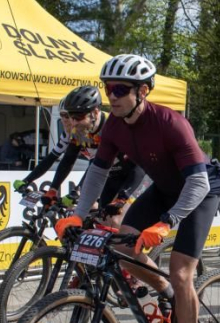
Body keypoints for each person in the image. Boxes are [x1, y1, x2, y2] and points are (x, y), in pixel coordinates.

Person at [54, 53, 220, 323]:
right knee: (121, 244)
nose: (112, 96)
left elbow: (198, 183)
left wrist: (167, 223)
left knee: (181, 273)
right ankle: (167, 294)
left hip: (200, 190)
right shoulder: (115, 127)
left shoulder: (170, 122)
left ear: (143, 91)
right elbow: (97, 173)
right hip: (165, 189)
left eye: (120, 89)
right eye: (108, 89)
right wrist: (77, 212)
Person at [43, 86, 145, 226]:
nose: (72, 122)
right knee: (99, 221)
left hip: (137, 176)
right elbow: (69, 161)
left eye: (78, 117)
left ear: (95, 113)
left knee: (115, 221)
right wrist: (56, 190)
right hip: (113, 177)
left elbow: (139, 166)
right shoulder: (80, 132)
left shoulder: (116, 127)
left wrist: (123, 197)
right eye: (69, 117)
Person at [14, 97, 73, 193]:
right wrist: (27, 180)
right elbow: (51, 159)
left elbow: (95, 166)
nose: (63, 120)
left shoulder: (94, 132)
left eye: (67, 116)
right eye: (61, 115)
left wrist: (78, 190)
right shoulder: (68, 134)